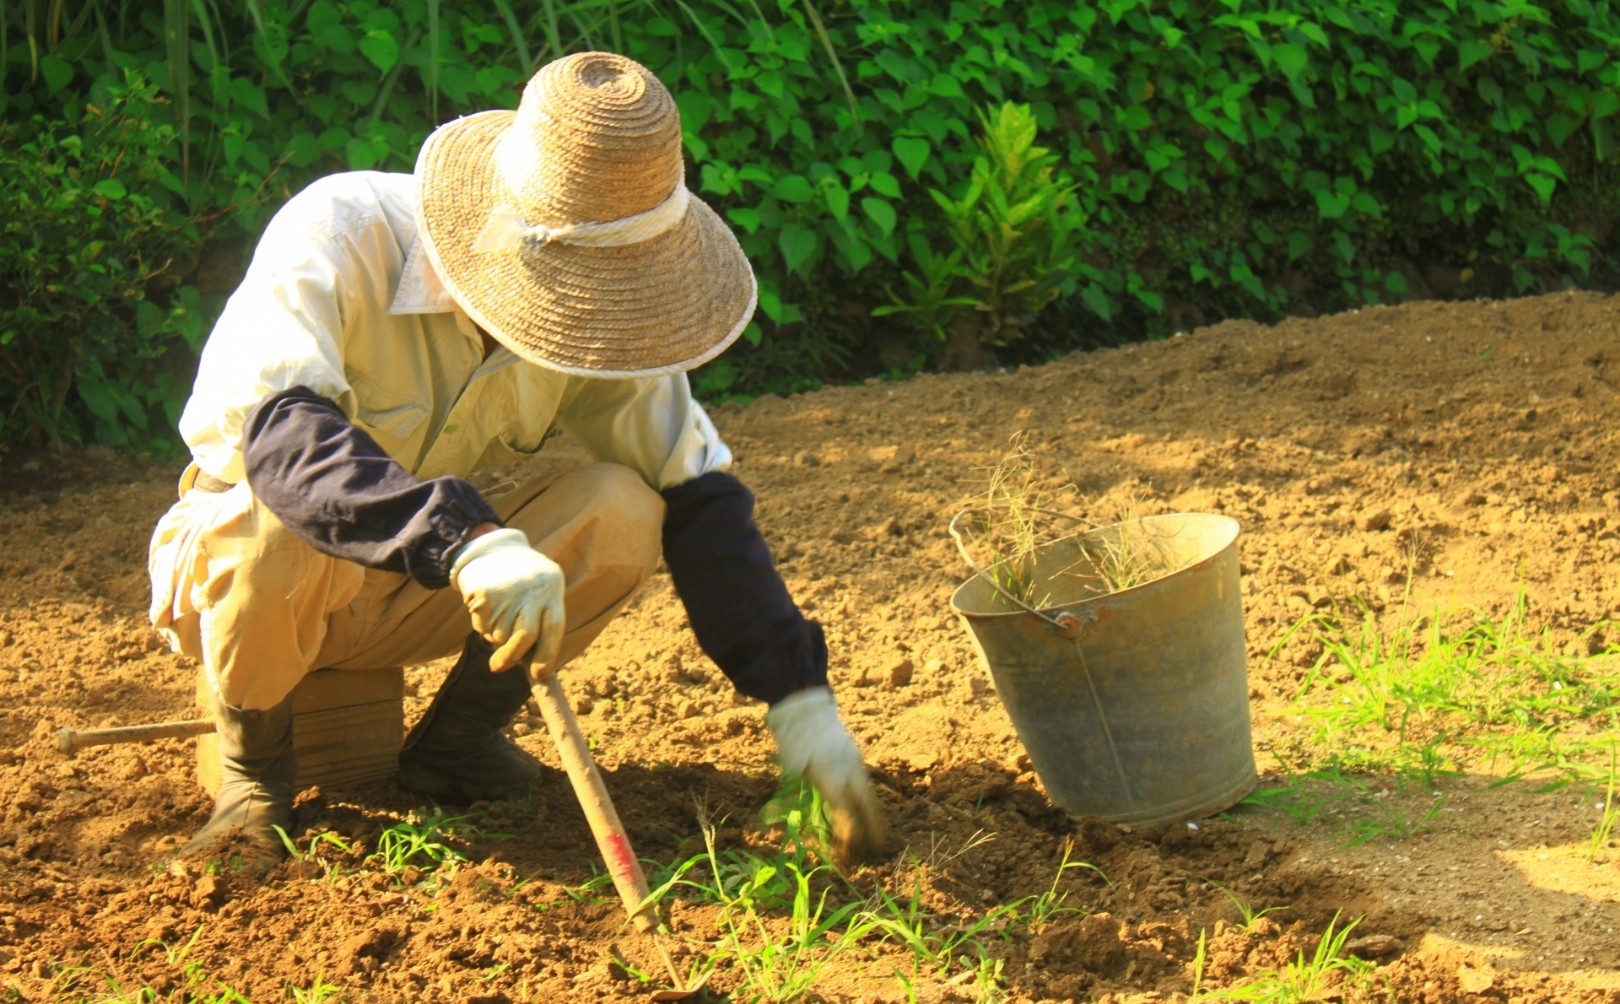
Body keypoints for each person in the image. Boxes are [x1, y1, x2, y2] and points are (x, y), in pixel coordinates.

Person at [147, 51, 887, 869]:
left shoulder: (602, 315)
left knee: (624, 507)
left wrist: (797, 699)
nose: (588, 304)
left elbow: (696, 490)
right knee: (278, 517)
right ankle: (253, 778)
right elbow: (284, 442)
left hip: (411, 591)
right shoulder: (343, 232)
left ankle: (456, 746)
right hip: (247, 586)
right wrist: (464, 540)